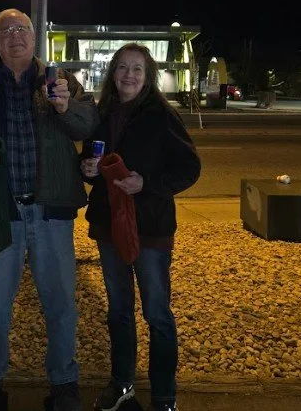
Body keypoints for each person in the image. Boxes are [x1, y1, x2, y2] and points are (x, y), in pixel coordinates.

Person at [0, 8, 99, 411]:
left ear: (34, 36)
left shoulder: (59, 80)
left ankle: (64, 383)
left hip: (51, 211)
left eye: (22, 28)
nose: (15, 35)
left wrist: (65, 108)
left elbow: (87, 125)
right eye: (6, 30)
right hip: (0, 211)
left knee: (60, 302)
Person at [80, 43, 201, 411]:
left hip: (150, 226)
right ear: (112, 73)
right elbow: (90, 160)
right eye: (122, 67)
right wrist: (86, 168)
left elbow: (189, 168)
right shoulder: (101, 113)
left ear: (148, 76)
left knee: (157, 313)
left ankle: (164, 395)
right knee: (118, 310)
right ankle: (122, 385)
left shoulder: (162, 115)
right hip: (108, 225)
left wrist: (146, 183)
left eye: (137, 69)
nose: (128, 75)